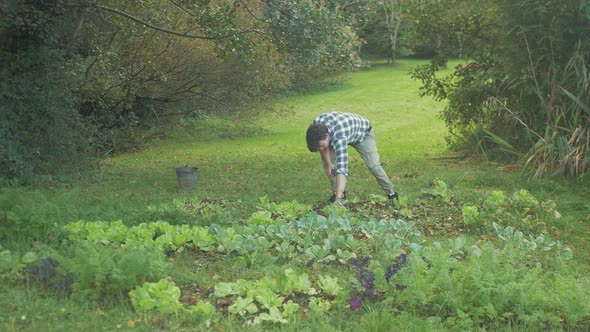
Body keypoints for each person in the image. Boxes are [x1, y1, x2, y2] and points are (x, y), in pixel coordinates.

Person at [306, 112, 399, 205]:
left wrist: (337, 199)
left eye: (322, 146)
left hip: (362, 134)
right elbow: (323, 148)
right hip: (344, 131)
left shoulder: (339, 137)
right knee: (328, 165)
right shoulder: (316, 126)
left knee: (373, 166)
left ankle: (392, 194)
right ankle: (340, 196)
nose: (321, 149)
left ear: (327, 136)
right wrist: (329, 163)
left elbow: (342, 169)